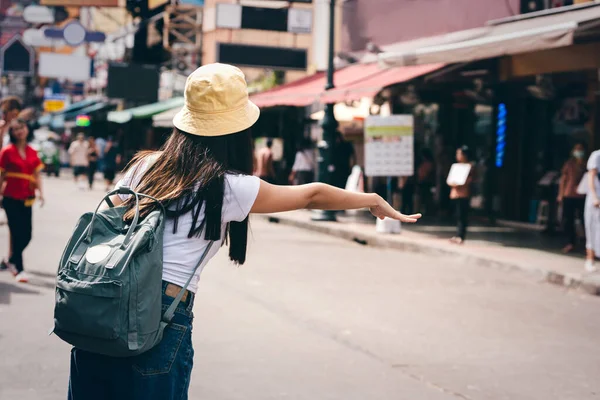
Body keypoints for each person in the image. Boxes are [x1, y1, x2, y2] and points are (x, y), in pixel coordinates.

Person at [66, 63, 421, 400]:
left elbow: (114, 224)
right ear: (237, 130)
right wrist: (372, 198)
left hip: (104, 301)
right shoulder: (227, 187)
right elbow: (311, 194)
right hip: (159, 315)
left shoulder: (144, 165)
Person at [0, 119, 45, 283]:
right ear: (12, 133)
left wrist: (41, 193)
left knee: (27, 234)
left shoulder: (32, 151)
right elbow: (1, 175)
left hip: (27, 195)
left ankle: (11, 259)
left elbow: (37, 175)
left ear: (27, 129)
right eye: (16, 129)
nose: (19, 131)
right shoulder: (7, 151)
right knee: (16, 231)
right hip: (10, 195)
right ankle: (19, 269)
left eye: (22, 127)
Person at [557, 142, 587, 253]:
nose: (579, 152)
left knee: (584, 219)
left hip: (582, 195)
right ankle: (570, 242)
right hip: (568, 194)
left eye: (580, 149)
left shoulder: (586, 164)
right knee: (568, 220)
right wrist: (560, 194)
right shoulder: (569, 164)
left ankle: (586, 243)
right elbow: (563, 179)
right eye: (577, 149)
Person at [449, 146, 474, 244]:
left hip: (464, 194)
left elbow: (469, 180)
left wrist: (460, 183)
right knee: (457, 215)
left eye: (459, 154)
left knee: (462, 215)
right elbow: (450, 179)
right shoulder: (456, 166)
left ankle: (461, 235)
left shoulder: (469, 167)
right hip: (455, 193)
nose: (457, 156)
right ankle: (457, 234)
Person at [584, 148, 600, 272]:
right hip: (595, 200)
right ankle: (590, 259)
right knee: (592, 229)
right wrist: (594, 197)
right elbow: (591, 177)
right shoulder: (596, 155)